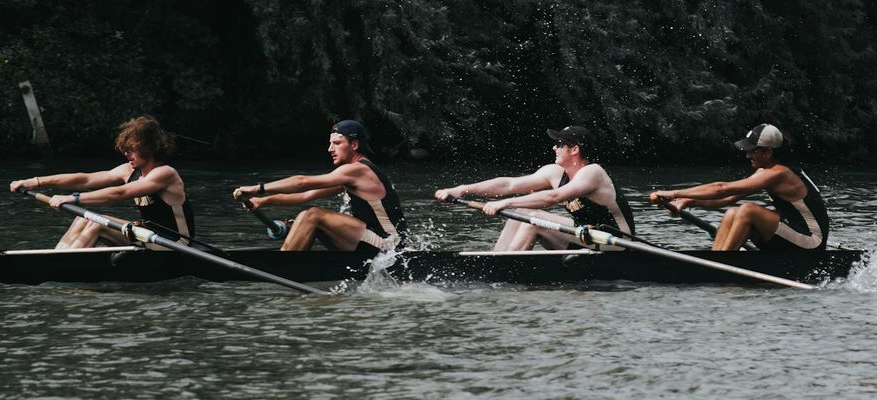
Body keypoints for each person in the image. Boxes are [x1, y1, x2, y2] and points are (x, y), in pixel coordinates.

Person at [434, 125, 636, 251]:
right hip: (586, 237)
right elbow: (509, 184)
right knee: (521, 212)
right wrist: (462, 189)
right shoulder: (555, 172)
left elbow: (553, 197)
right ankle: (497, 258)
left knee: (535, 220)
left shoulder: (593, 172)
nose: (554, 148)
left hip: (617, 244)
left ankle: (506, 269)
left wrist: (504, 203)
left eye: (559, 144)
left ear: (574, 149)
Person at [8, 115, 195, 249]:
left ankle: (64, 266)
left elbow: (118, 194)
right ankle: (57, 256)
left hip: (176, 244)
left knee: (98, 223)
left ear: (150, 148)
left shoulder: (165, 174)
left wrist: (72, 199)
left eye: (131, 149)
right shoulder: (128, 170)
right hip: (147, 234)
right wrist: (37, 181)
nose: (126, 154)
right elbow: (85, 179)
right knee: (83, 217)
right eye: (125, 149)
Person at [232, 120, 406, 253]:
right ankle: (287, 256)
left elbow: (302, 183)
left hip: (389, 247)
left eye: (337, 143)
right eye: (330, 143)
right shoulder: (352, 176)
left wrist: (258, 189)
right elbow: (305, 196)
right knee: (305, 215)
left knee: (314, 215)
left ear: (354, 145)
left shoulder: (358, 170)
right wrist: (263, 202)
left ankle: (283, 264)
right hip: (373, 242)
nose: (330, 149)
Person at [649, 123, 829, 251]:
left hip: (812, 241)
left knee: (748, 210)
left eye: (752, 150)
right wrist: (688, 201)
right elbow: (727, 199)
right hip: (794, 231)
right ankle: (717, 259)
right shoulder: (767, 171)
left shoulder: (779, 174)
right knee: (733, 212)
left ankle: (722, 266)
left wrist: (673, 193)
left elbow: (723, 188)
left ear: (768, 152)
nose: (747, 155)